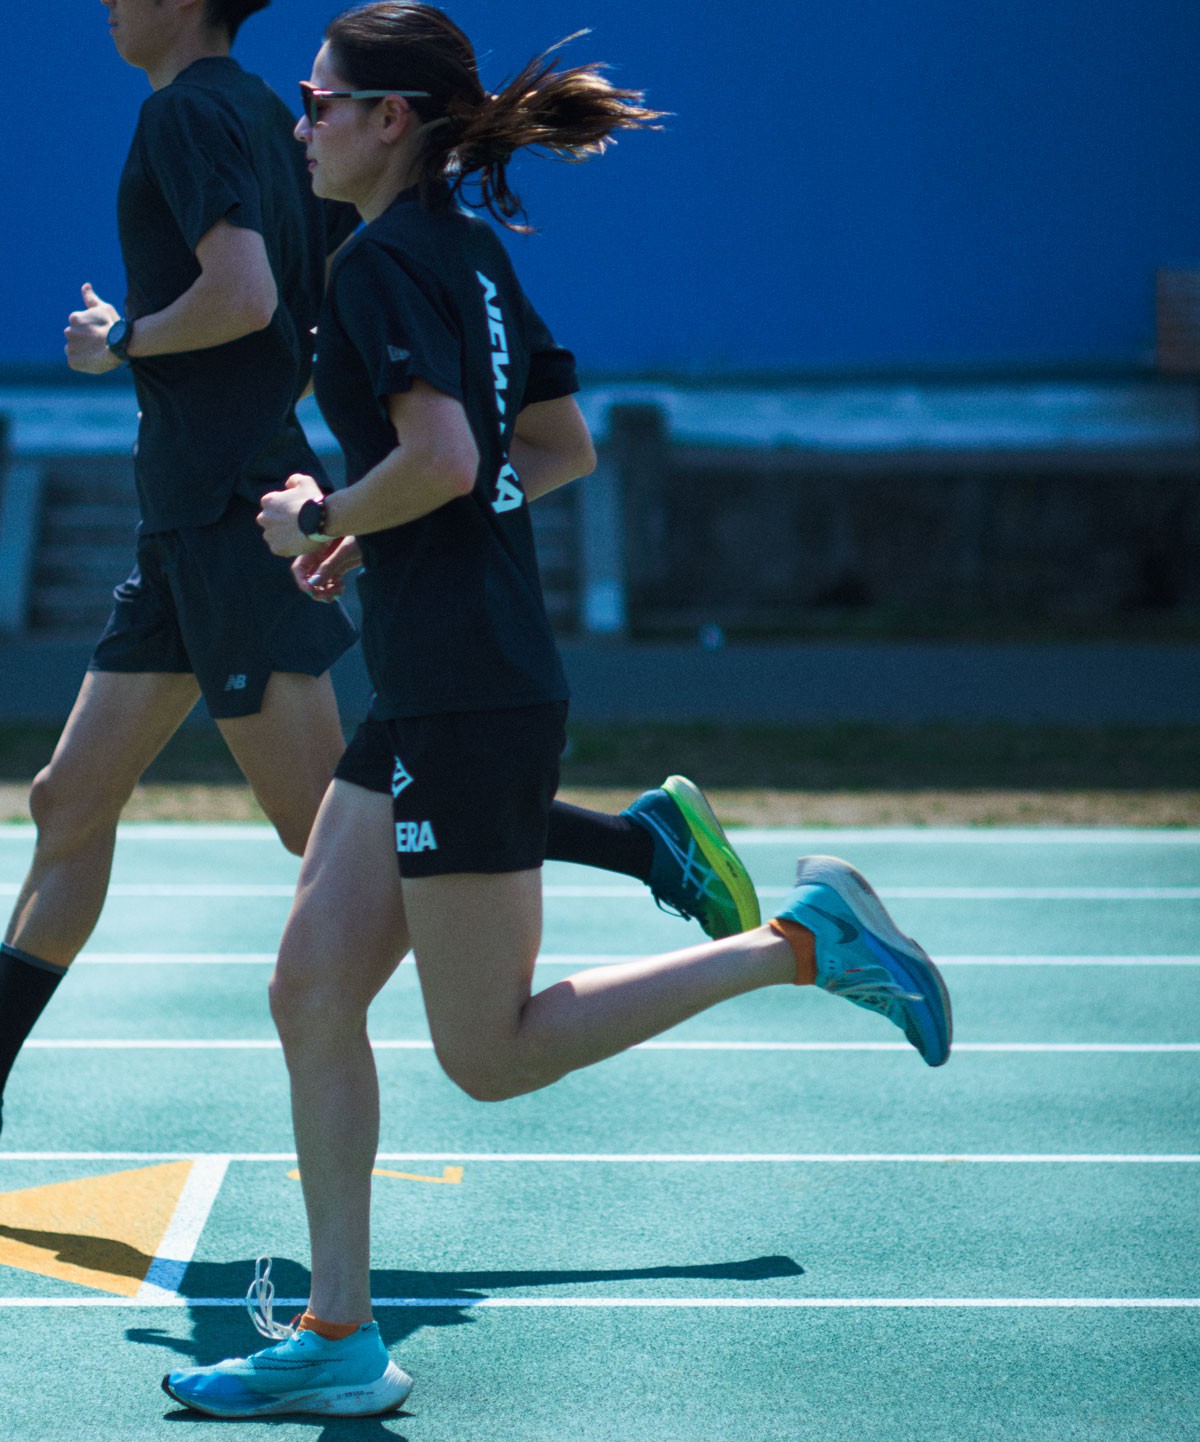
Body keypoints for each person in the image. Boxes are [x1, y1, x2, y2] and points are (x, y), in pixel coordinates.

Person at [162, 3, 952, 1419]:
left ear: (388, 119)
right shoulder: (460, 256)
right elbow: (551, 451)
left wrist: (320, 514)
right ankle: (339, 1337)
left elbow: (454, 453)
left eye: (318, 98)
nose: (301, 123)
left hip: (466, 688)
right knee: (309, 988)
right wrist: (391, 530)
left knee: (491, 1051)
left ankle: (801, 946)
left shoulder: (383, 265)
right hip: (437, 673)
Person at [0, 0, 759, 1141]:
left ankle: (645, 847)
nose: (107, 2)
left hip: (232, 513)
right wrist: (377, 505)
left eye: (326, 106)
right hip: (202, 515)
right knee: (69, 801)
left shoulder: (198, 122)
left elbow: (253, 299)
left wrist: (128, 344)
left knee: (340, 838)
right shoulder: (284, 131)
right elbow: (374, 365)